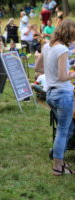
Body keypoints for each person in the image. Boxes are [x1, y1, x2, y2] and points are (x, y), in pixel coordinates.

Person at [35, 19, 75, 176]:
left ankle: (57, 157)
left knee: (65, 128)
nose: (73, 40)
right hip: (63, 94)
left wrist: (50, 73)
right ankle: (58, 167)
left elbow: (38, 68)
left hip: (51, 93)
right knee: (63, 131)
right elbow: (63, 76)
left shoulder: (47, 46)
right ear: (68, 33)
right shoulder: (62, 50)